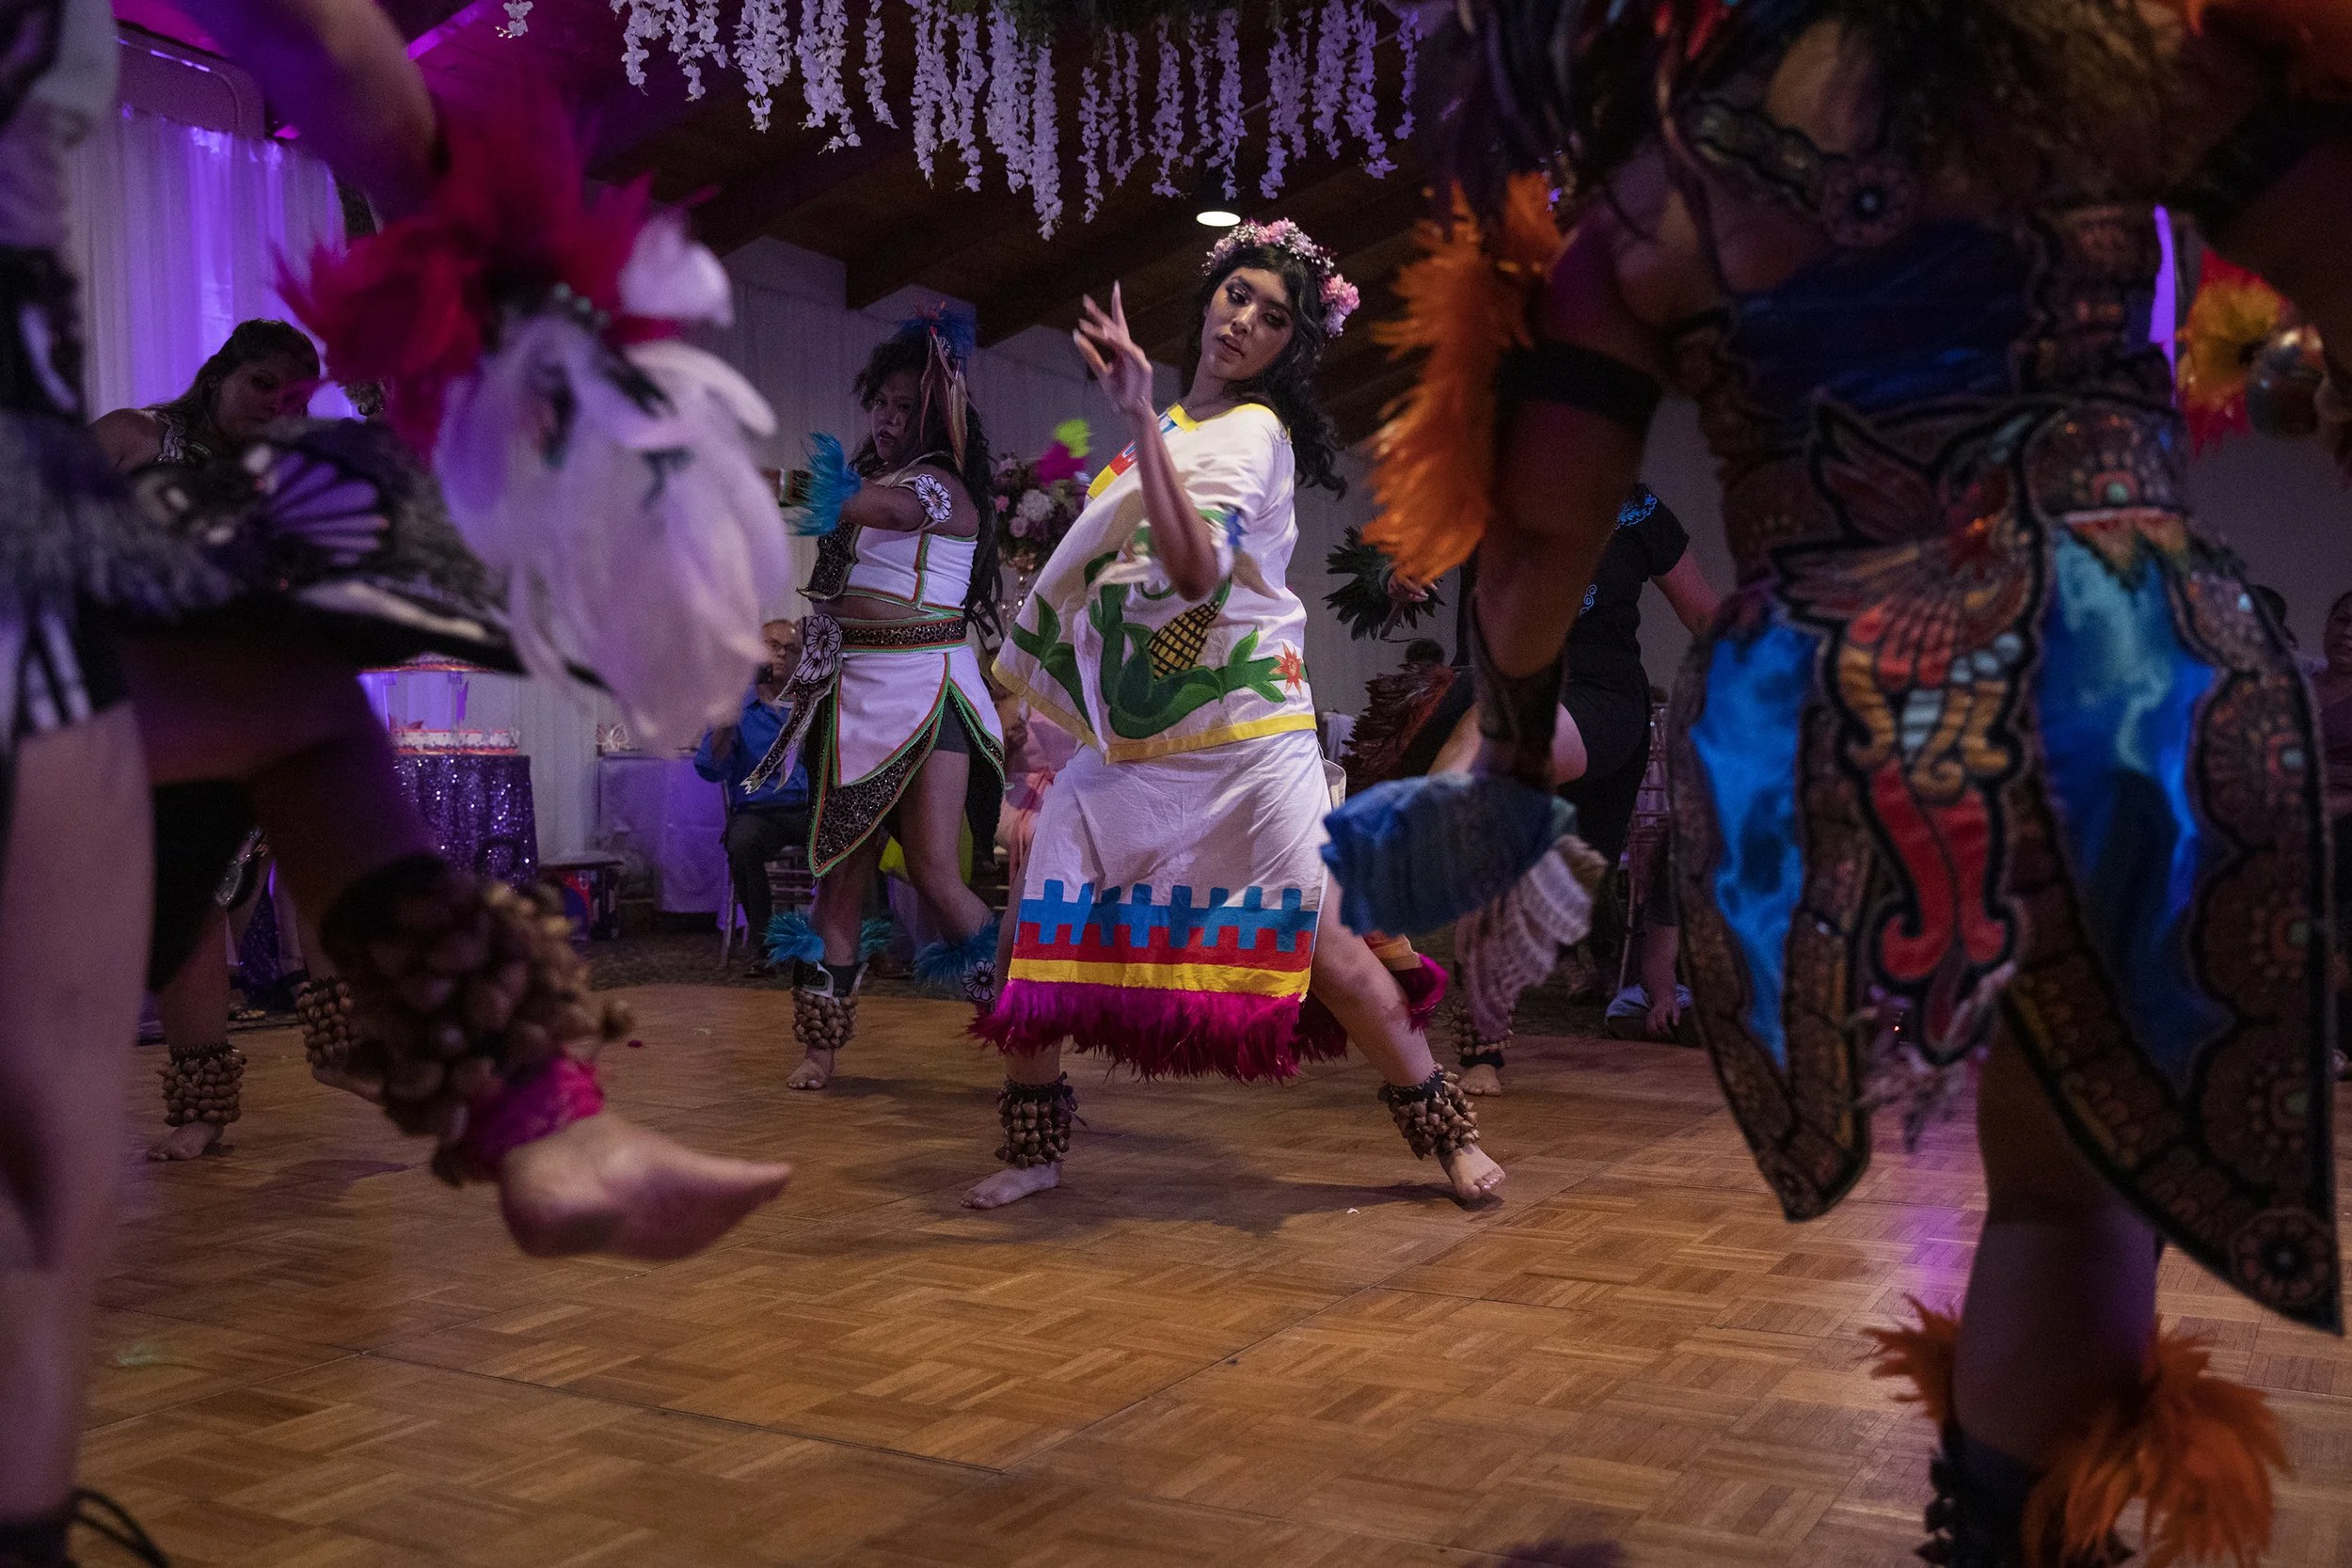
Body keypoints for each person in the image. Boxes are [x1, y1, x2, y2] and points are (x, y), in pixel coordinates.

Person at [1344, 2, 2352, 1560]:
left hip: (1837, 714)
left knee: (2049, 1197)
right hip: (2112, 671)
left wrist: (1507, 749)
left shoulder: (1651, 201)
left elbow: (1536, 544)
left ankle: (2005, 1523)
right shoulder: (2136, 61)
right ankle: (2018, 1530)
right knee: (2072, 1202)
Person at [0, 4, 791, 1559]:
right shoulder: (137, 433)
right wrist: (518, 231)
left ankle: (539, 1110)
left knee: (288, 697)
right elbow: (350, 72)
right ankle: (537, 1114)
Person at [970, 221, 1502, 1212]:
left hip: (1247, 743)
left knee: (1329, 950)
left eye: (1272, 315)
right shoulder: (1166, 436)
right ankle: (1036, 1145)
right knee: (1028, 940)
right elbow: (1108, 596)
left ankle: (1447, 1132)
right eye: (1236, 294)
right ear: (1208, 297)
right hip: (1133, 745)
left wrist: (1131, 420)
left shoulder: (1252, 433)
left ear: (1287, 348)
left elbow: (1195, 570)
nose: (1244, 319)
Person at [755, 316, 1007, 1090]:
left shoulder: (941, 487)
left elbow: (895, 514)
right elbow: (855, 550)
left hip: (928, 690)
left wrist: (762, 485)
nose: (890, 420)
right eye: (882, 405)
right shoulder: (870, 487)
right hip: (854, 694)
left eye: (905, 407)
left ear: (932, 417)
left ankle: (1025, 1023)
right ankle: (820, 1047)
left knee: (934, 869)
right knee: (839, 872)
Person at [695, 618, 811, 976]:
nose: (781, 654)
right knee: (741, 842)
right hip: (758, 811)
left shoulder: (812, 703)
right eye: (772, 645)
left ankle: (861, 943)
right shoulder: (737, 705)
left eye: (791, 649)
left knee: (855, 835)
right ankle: (765, 946)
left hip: (808, 807)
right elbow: (709, 769)